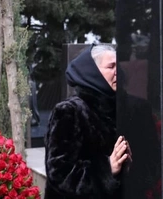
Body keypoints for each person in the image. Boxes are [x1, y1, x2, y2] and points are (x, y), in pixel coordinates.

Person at [44, 44, 130, 199]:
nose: (118, 71)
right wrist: (107, 170)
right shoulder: (69, 111)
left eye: (118, 66)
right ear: (93, 72)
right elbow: (59, 173)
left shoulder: (126, 108)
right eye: (111, 66)